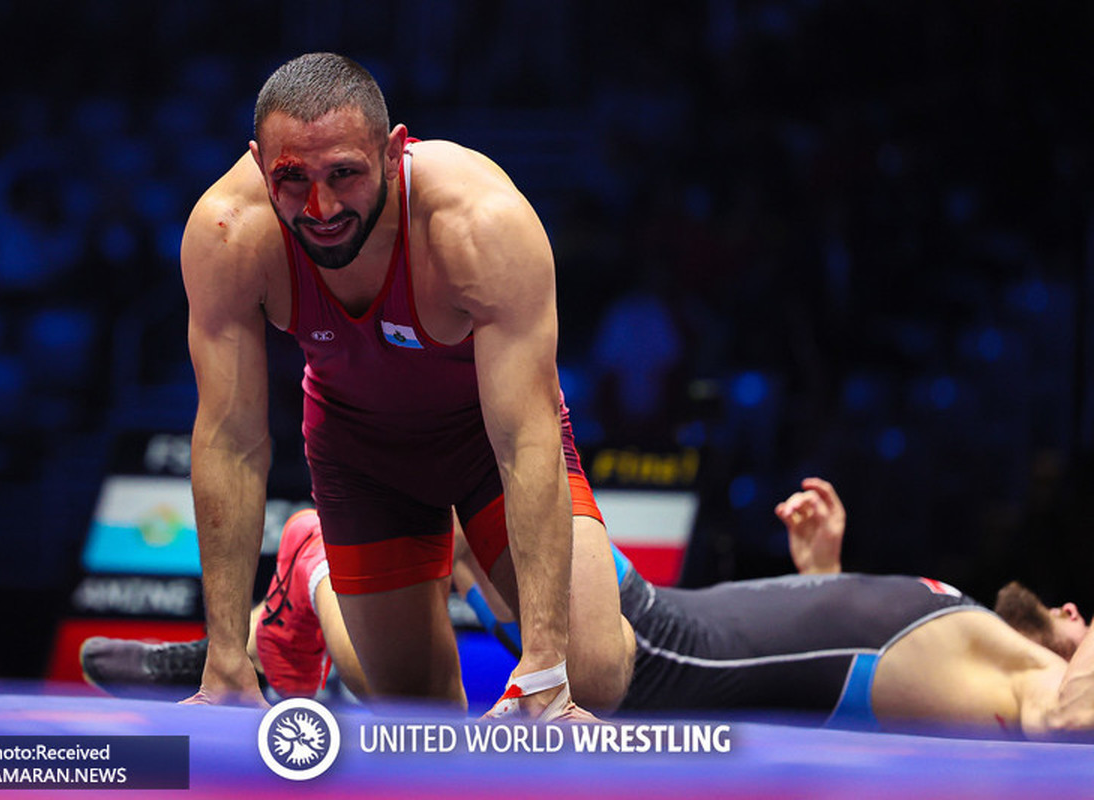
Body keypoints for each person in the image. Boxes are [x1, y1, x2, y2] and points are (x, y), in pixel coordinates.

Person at [178, 52, 631, 717]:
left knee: (592, 676)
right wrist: (225, 662)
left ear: (393, 153)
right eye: (292, 179)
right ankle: (313, 565)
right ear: (258, 161)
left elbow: (524, 437)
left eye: (344, 174)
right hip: (361, 455)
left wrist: (544, 666)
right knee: (417, 712)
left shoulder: (480, 223)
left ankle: (521, 606)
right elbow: (230, 440)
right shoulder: (228, 232)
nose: (321, 207)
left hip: (485, 440)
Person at [83, 478, 1094, 739]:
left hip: (655, 650)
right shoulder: (982, 640)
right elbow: (835, 654)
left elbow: (1064, 722)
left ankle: (294, 597)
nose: (1078, 616)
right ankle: (280, 621)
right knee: (439, 514)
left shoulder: (1034, 686)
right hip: (662, 624)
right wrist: (822, 572)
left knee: (416, 682)